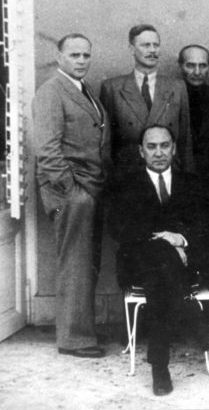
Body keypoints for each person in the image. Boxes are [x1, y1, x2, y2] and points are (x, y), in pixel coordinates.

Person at [109, 125, 209, 396]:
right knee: (159, 261)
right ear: (141, 151)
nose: (159, 152)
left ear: (174, 148)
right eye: (151, 146)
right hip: (139, 265)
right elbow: (119, 229)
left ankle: (160, 369)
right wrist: (165, 241)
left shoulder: (192, 183)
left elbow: (207, 226)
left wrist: (180, 239)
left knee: (160, 279)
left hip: (182, 267)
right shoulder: (125, 184)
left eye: (165, 145)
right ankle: (192, 316)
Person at [34, 33, 110, 359]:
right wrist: (73, 193)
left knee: (86, 263)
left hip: (89, 187)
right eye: (74, 55)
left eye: (85, 55)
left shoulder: (83, 89)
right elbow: (47, 150)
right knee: (76, 264)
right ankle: (74, 340)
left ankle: (80, 331)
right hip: (71, 191)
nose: (81, 60)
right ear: (59, 56)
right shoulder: (51, 91)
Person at [100, 24, 193, 175]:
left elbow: (184, 139)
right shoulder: (112, 88)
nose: (152, 50)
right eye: (145, 45)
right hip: (127, 174)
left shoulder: (177, 87)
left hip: (168, 173)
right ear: (131, 49)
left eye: (156, 45)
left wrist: (188, 177)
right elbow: (106, 143)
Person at [177, 44, 209, 175]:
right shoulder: (169, 98)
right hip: (179, 174)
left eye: (203, 65)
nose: (197, 72)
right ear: (180, 65)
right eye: (190, 65)